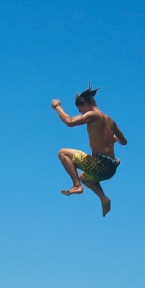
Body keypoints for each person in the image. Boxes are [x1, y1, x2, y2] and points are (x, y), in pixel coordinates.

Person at [52, 86, 127, 217]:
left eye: (80, 109)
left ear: (86, 103)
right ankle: (104, 199)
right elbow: (124, 141)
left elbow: (69, 122)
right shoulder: (110, 121)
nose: (81, 113)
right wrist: (114, 139)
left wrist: (57, 107)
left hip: (98, 164)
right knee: (84, 177)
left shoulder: (92, 115)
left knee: (62, 152)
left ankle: (76, 186)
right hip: (110, 170)